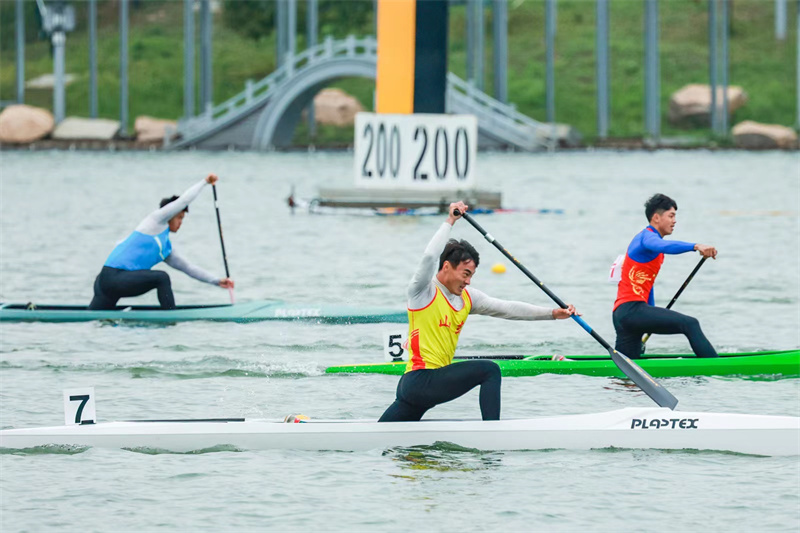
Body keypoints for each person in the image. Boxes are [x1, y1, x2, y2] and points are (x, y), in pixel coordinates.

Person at [378, 202, 577, 423]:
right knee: (489, 371)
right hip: (420, 380)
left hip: (419, 390)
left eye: (471, 275)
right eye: (465, 273)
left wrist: (551, 313)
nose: (468, 281)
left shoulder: (467, 298)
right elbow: (428, 258)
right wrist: (450, 221)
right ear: (446, 267)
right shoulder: (422, 291)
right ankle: (492, 435)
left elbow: (507, 308)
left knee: (384, 440)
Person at [89, 174, 234, 310]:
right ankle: (170, 317)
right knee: (162, 278)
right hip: (114, 278)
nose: (180, 223)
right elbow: (183, 200)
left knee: (93, 319)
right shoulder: (155, 220)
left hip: (105, 281)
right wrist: (205, 182)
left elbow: (189, 268)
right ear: (170, 214)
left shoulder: (166, 250)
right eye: (180, 218)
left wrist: (216, 281)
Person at [612, 193, 717, 359]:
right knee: (690, 324)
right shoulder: (647, 237)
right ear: (656, 217)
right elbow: (663, 245)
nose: (675, 221)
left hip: (624, 314)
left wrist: (651, 313)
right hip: (632, 311)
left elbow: (647, 284)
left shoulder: (650, 248)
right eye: (671, 215)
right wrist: (695, 246)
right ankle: (715, 367)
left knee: (626, 369)